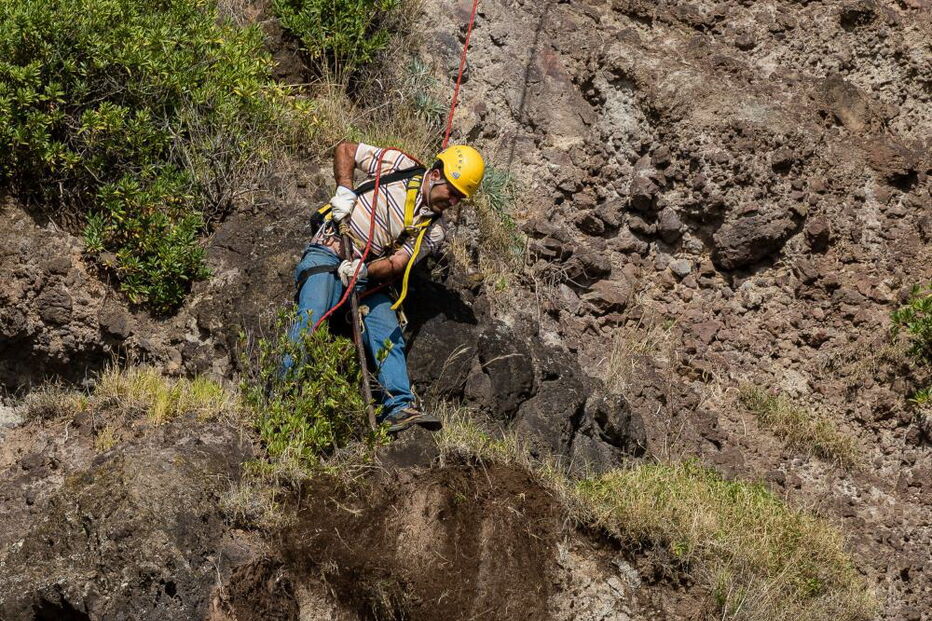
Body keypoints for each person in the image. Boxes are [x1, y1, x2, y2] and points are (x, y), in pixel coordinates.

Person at [289, 141, 485, 433]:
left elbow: (397, 263)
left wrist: (363, 270)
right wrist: (345, 190)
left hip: (367, 277)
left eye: (460, 198)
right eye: (453, 192)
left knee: (388, 333)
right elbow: (346, 150)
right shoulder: (399, 165)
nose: (454, 202)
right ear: (435, 175)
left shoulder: (434, 230)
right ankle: (284, 390)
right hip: (329, 251)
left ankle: (398, 406)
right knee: (312, 314)